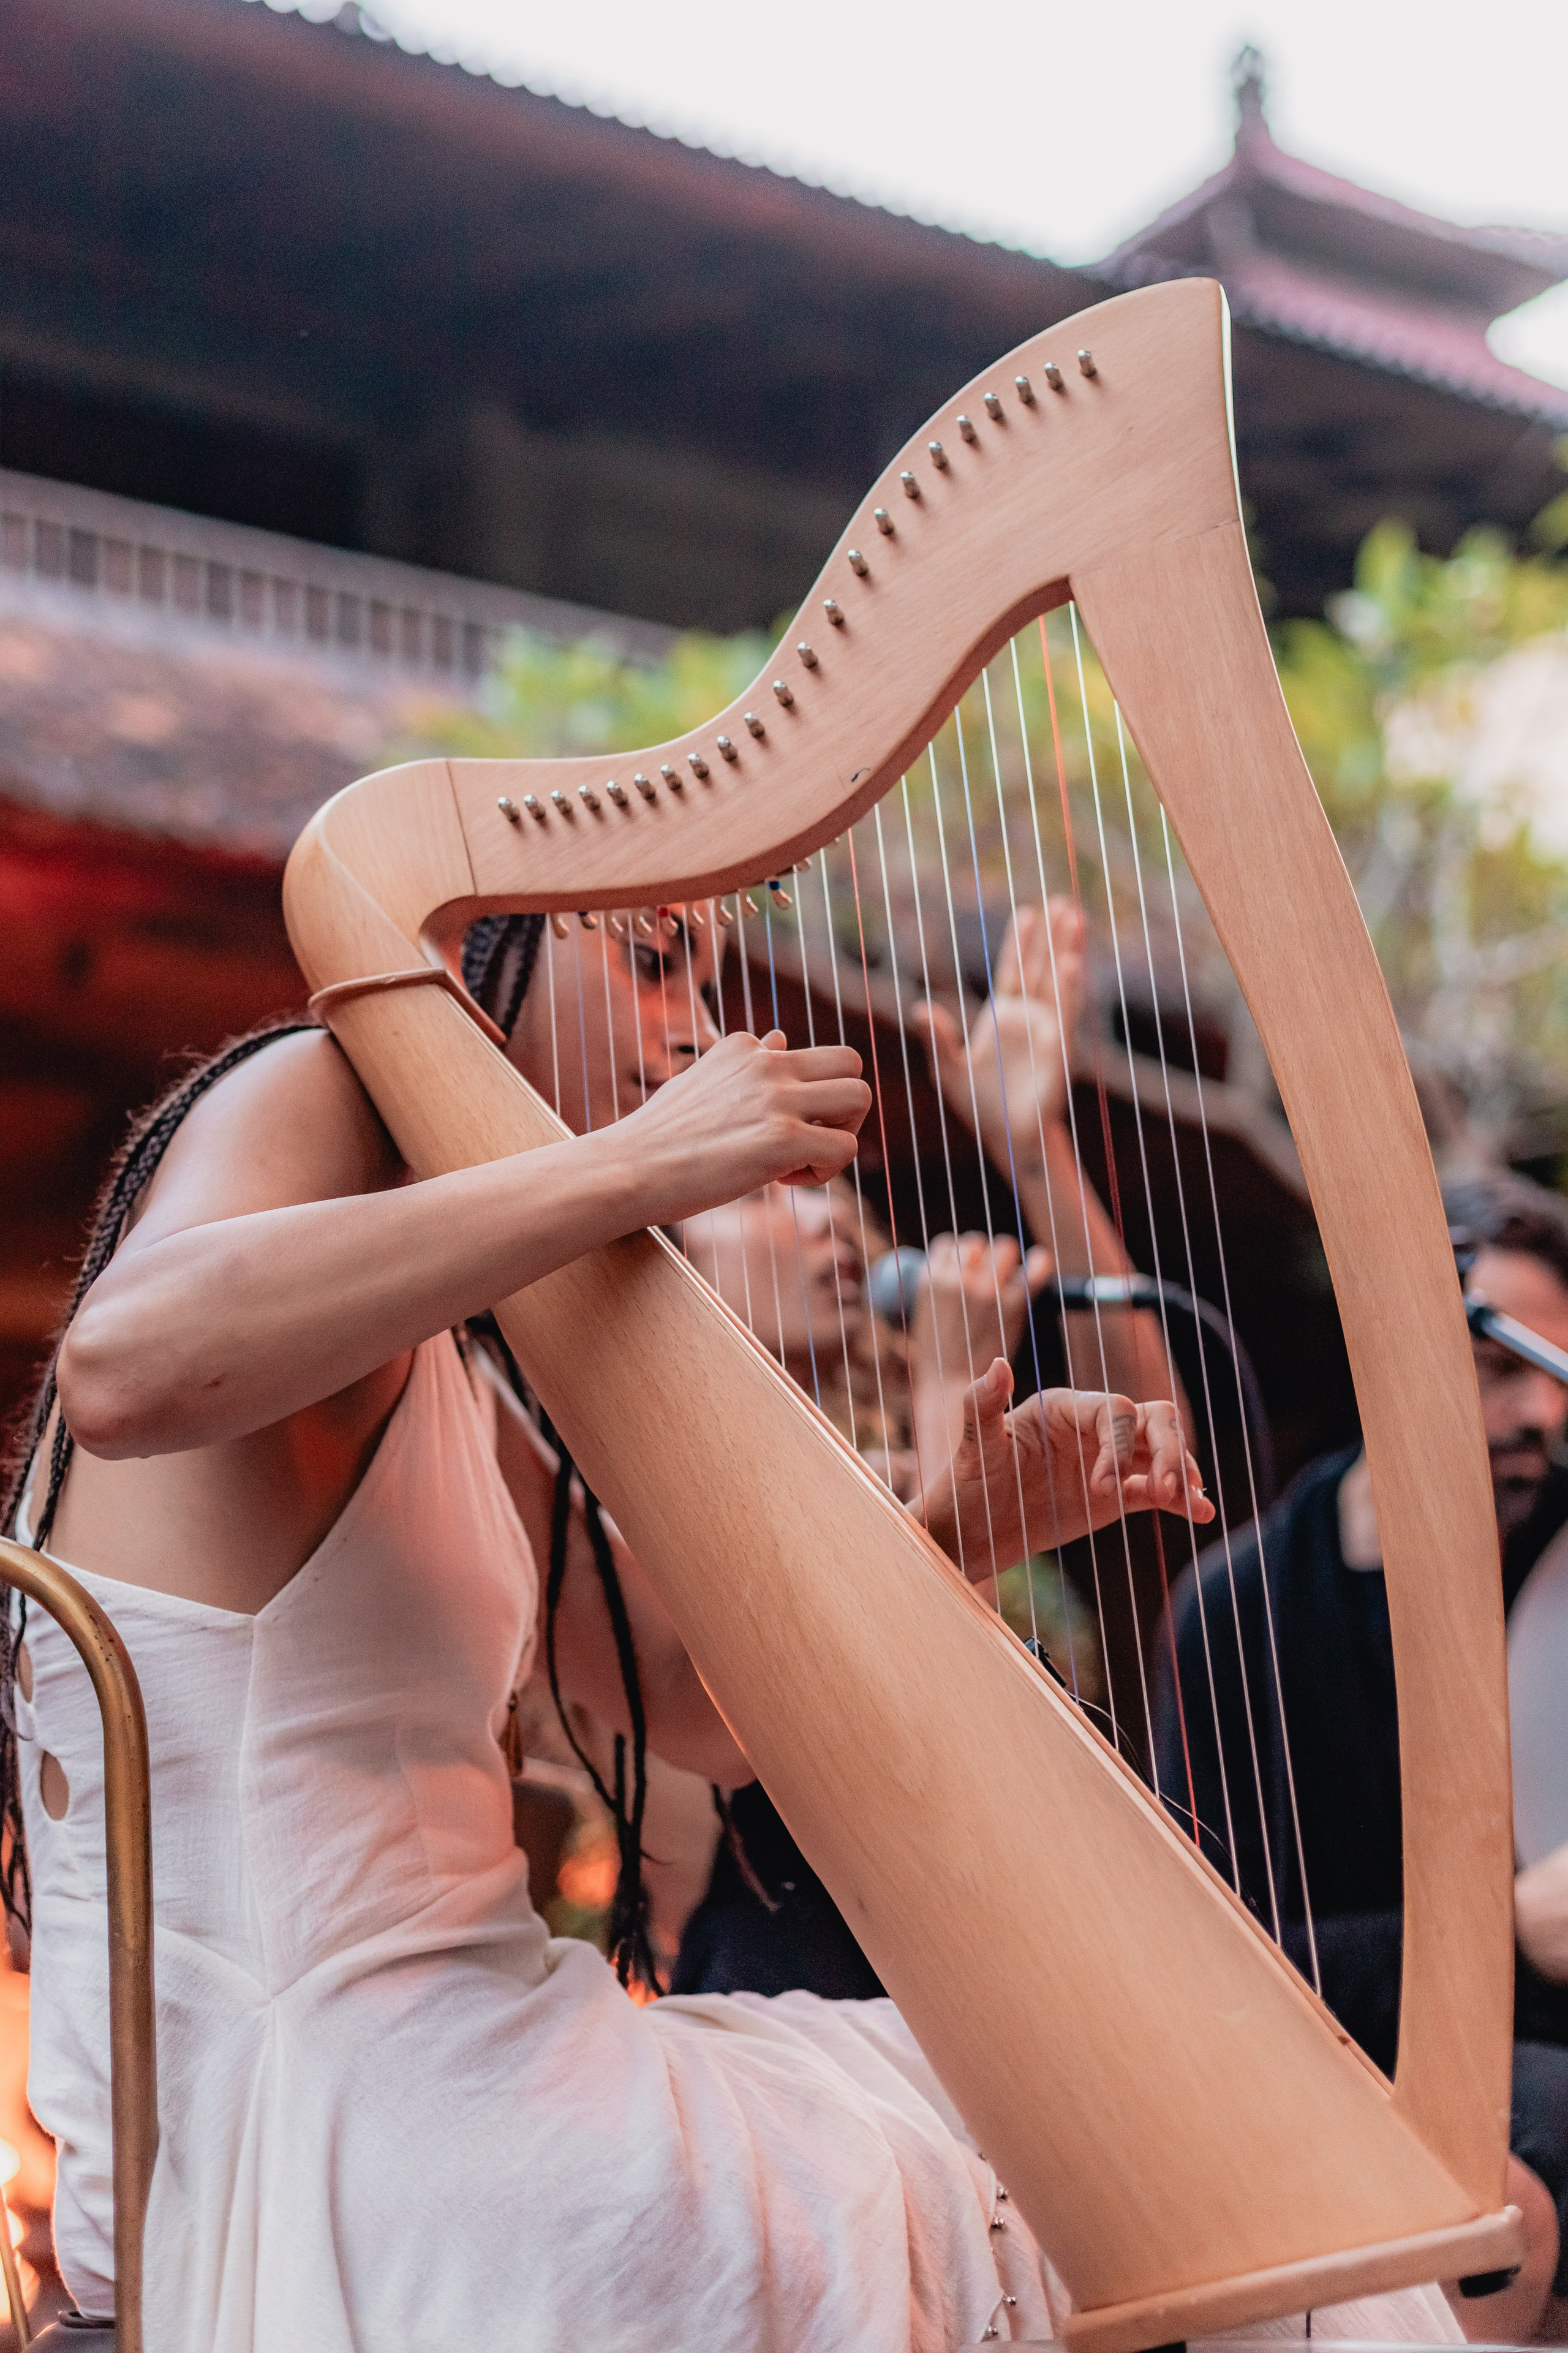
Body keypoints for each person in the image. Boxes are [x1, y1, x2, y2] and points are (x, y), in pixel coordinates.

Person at [2, 900, 1213, 2353]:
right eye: (651, 966)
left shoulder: (441, 1371)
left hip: (474, 2057)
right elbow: (124, 1367)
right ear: (476, 965)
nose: (695, 1029)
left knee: (1098, 2115)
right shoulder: (317, 1080)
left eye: (702, 980)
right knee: (1042, 2157)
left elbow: (695, 1708)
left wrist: (966, 1526)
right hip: (332, 2115)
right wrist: (641, 1161)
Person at [674, 894, 1185, 2003]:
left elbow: (1157, 1440)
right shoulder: (674, 1485)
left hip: (1009, 1946)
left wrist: (1030, 1146)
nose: (819, 1218)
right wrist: (953, 1387)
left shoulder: (893, 1402)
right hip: (819, 1995)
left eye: (813, 1185)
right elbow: (901, 1689)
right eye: (756, 1192)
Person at [1153, 1170, 1568, 2344]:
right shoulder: (1237, 1609)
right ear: (1388, 1351)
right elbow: (1219, 1965)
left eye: (1555, 1371)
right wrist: (1501, 1930)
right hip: (1353, 2080)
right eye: (1500, 1365)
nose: (1539, 1411)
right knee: (1493, 2200)